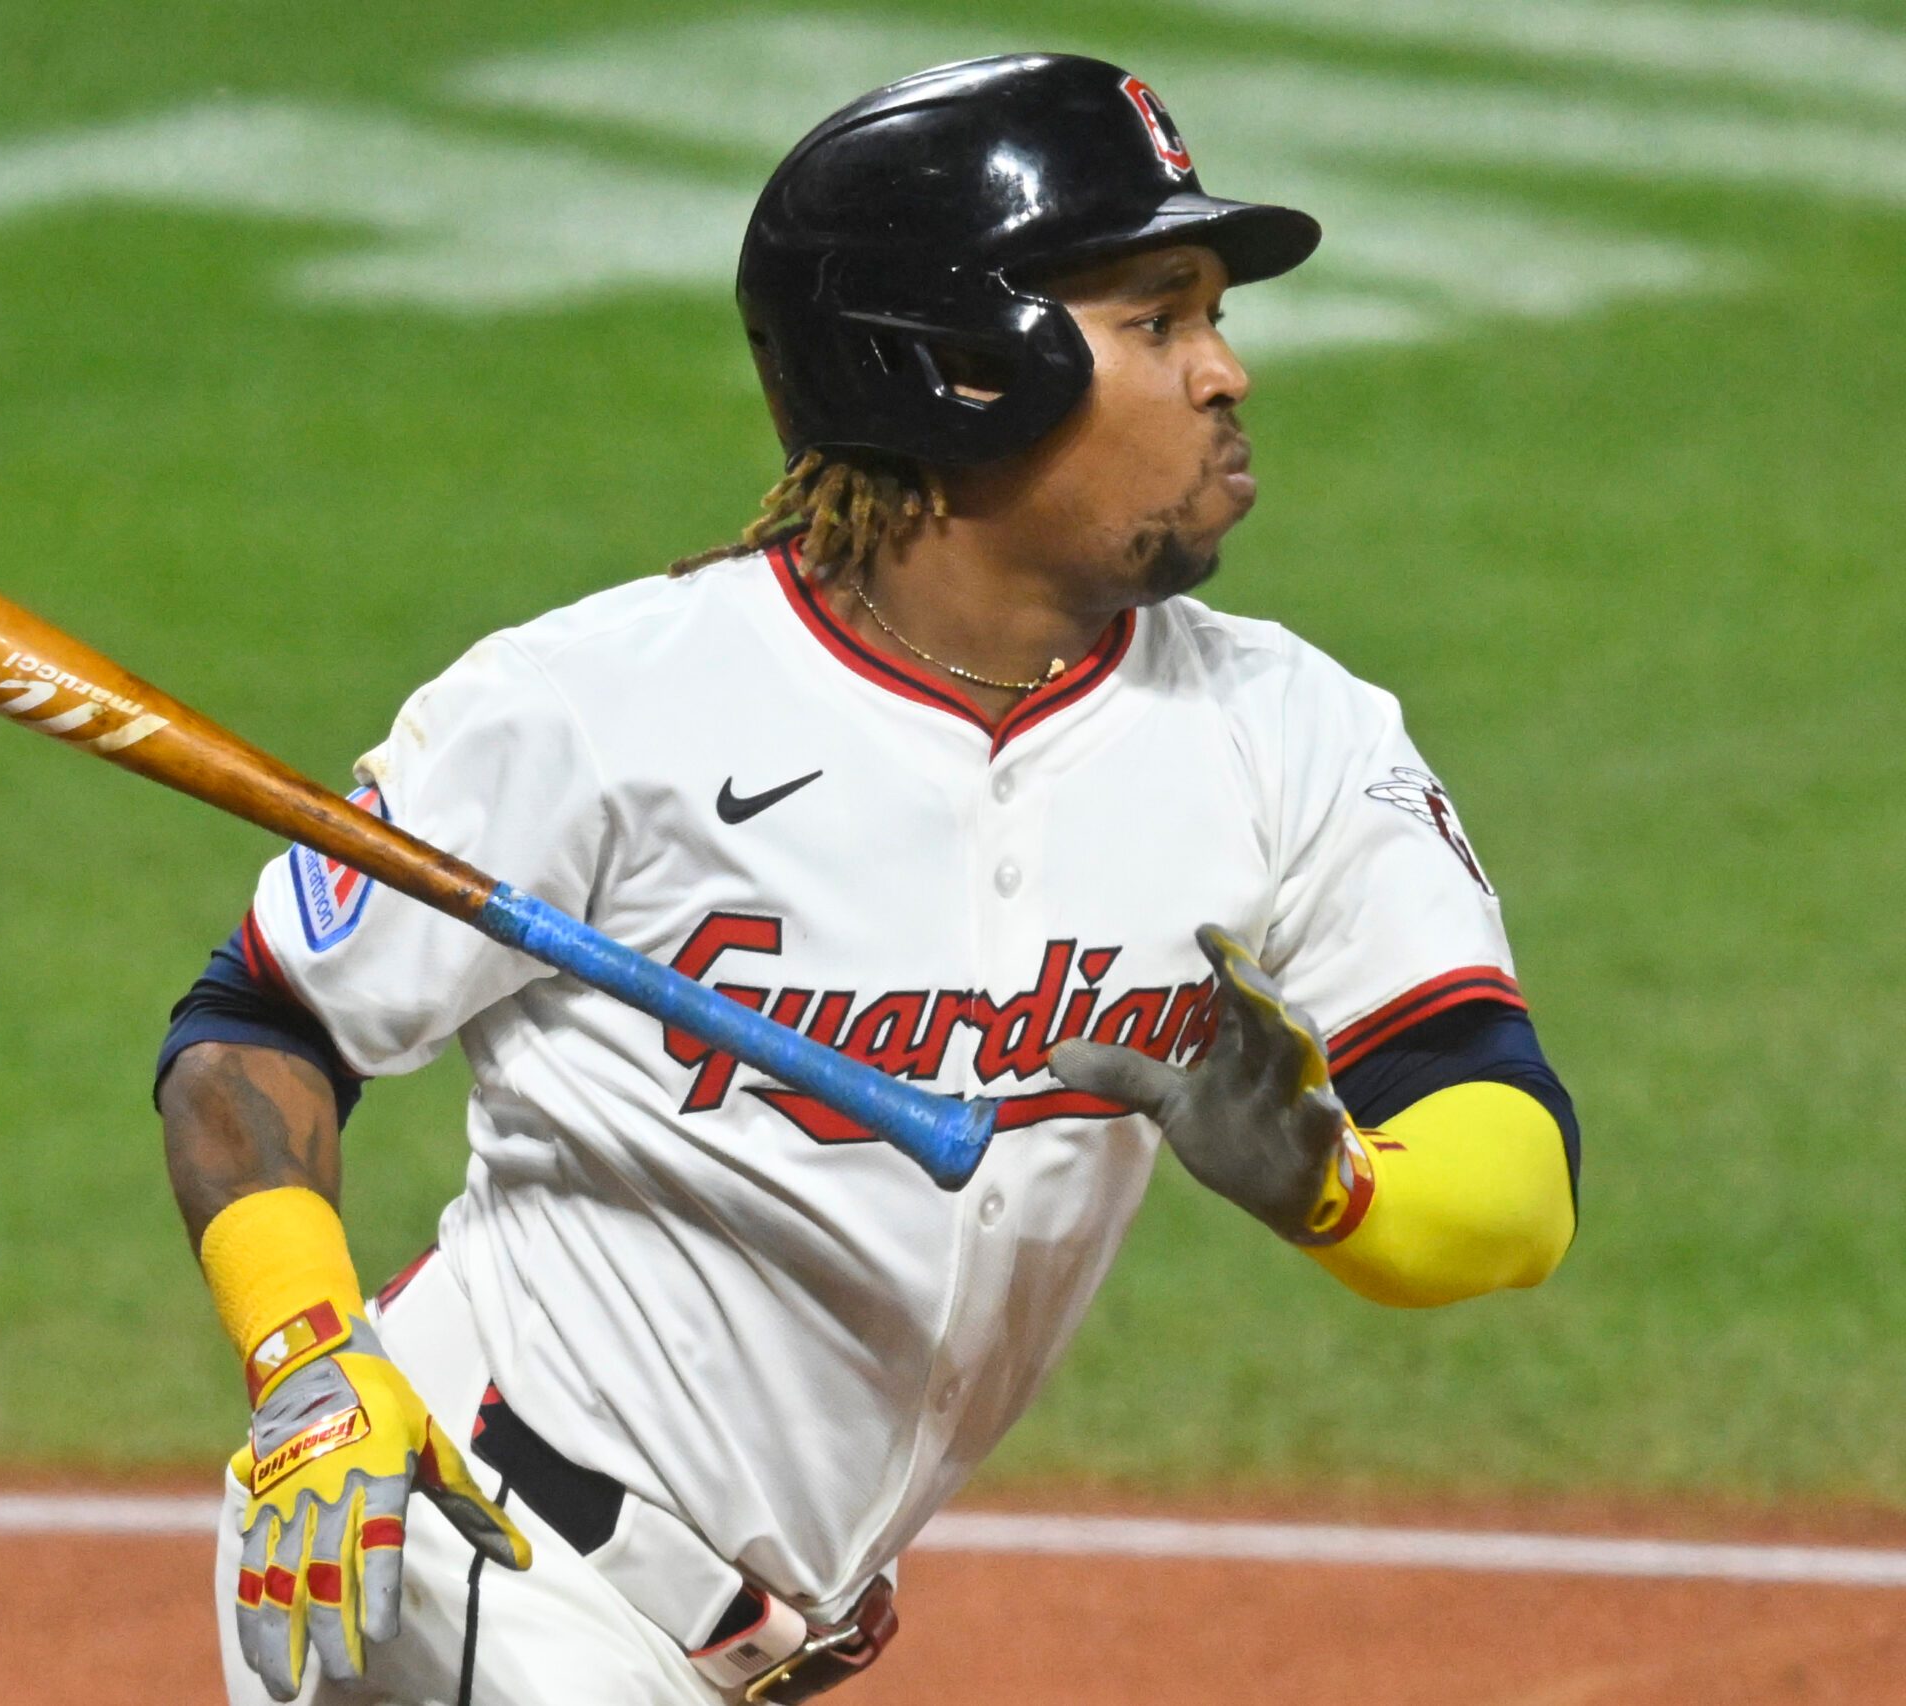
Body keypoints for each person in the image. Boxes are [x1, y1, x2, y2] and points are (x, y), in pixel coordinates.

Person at [156, 53, 1581, 1706]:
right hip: (465, 1556)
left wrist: (1330, 1180)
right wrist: (308, 1359)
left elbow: (1511, 1171)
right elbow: (261, 1020)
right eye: (1160, 319)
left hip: (733, 1645)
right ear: (965, 371)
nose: (1227, 370)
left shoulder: (1289, 735)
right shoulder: (599, 707)